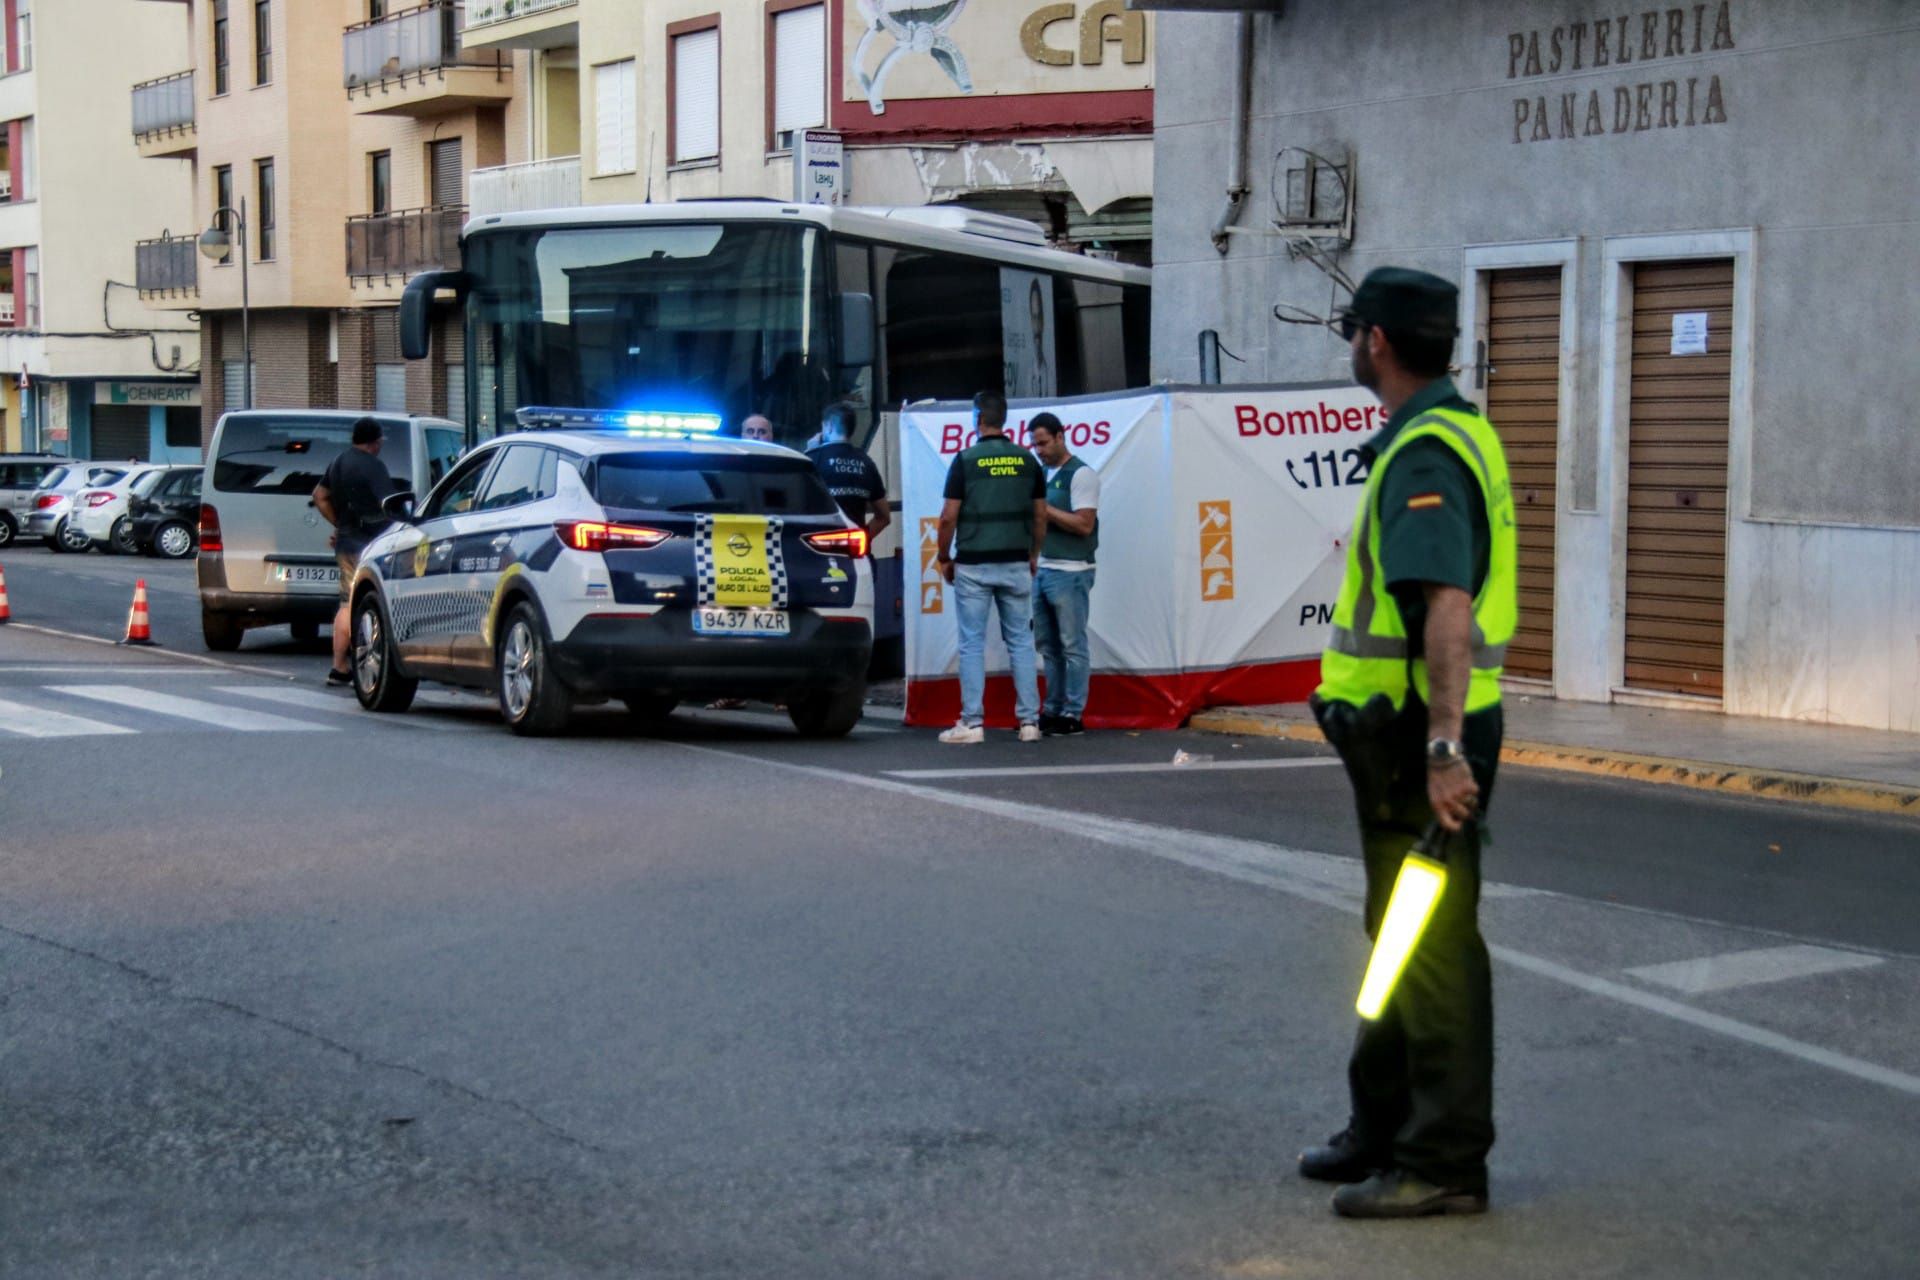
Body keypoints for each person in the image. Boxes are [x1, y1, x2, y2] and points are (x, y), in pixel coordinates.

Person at [1298, 267, 1517, 1219]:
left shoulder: (1426, 453)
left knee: (1429, 951)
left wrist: (1442, 752)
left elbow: (1447, 606)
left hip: (1415, 743)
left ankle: (1443, 1164)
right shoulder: (1448, 432)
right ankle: (1379, 1129)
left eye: (1353, 330)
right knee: (1396, 937)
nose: (1351, 344)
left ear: (1377, 340)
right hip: (1401, 739)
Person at [934, 390, 1047, 745]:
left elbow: (948, 516)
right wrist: (1034, 553)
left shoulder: (965, 460)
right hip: (1016, 560)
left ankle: (972, 723)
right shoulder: (1028, 461)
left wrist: (943, 556)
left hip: (974, 565)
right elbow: (1040, 515)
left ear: (978, 419)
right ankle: (1029, 723)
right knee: (1021, 643)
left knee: (971, 643)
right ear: (1004, 419)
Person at [313, 417, 396, 687]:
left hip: (346, 541)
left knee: (346, 603)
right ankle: (367, 663)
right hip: (371, 543)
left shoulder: (338, 462)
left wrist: (339, 524)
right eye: (381, 441)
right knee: (367, 604)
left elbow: (319, 495)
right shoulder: (374, 466)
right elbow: (390, 505)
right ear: (375, 442)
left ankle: (339, 667)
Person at [1028, 412, 1098, 736]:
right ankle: (1052, 708)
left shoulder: (1081, 474)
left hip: (1071, 572)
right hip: (1043, 568)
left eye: (1043, 443)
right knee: (1048, 647)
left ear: (1060, 436)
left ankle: (1074, 712)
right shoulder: (1042, 473)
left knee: (1072, 645)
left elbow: (1084, 525)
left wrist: (1045, 510)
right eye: (1035, 444)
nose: (1039, 450)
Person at [806, 402, 892, 544]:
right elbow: (884, 517)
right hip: (856, 554)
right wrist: (860, 540)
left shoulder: (813, 458)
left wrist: (809, 452)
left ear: (829, 427)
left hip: (821, 551)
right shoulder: (866, 462)